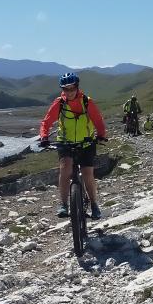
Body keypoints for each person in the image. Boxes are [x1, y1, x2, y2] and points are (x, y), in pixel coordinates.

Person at [39, 73, 107, 219]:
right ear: (62, 89)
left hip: (86, 142)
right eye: (66, 89)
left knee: (88, 173)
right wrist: (44, 136)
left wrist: (101, 135)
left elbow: (98, 120)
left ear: (77, 87)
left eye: (72, 88)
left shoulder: (87, 102)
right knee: (65, 170)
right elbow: (46, 122)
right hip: (65, 142)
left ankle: (94, 205)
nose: (69, 92)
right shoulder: (59, 103)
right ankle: (64, 204)